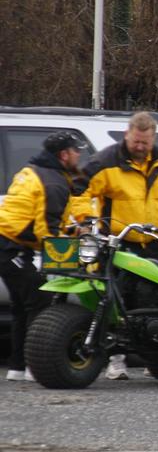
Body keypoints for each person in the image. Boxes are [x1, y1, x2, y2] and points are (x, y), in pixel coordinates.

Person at [76, 111, 158, 380]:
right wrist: (85, 219)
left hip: (155, 244)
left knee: (156, 301)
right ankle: (115, 360)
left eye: (145, 143)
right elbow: (80, 190)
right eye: (136, 141)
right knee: (116, 301)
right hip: (118, 244)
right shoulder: (105, 162)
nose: (140, 147)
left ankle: (155, 359)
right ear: (127, 135)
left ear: (153, 139)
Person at [0, 131, 87, 381]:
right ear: (64, 155)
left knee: (20, 306)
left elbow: (41, 219)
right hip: (9, 247)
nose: (78, 155)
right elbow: (48, 233)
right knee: (42, 299)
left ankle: (17, 367)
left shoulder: (33, 170)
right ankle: (35, 367)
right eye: (75, 151)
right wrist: (73, 249)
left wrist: (71, 229)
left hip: (12, 245)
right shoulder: (54, 182)